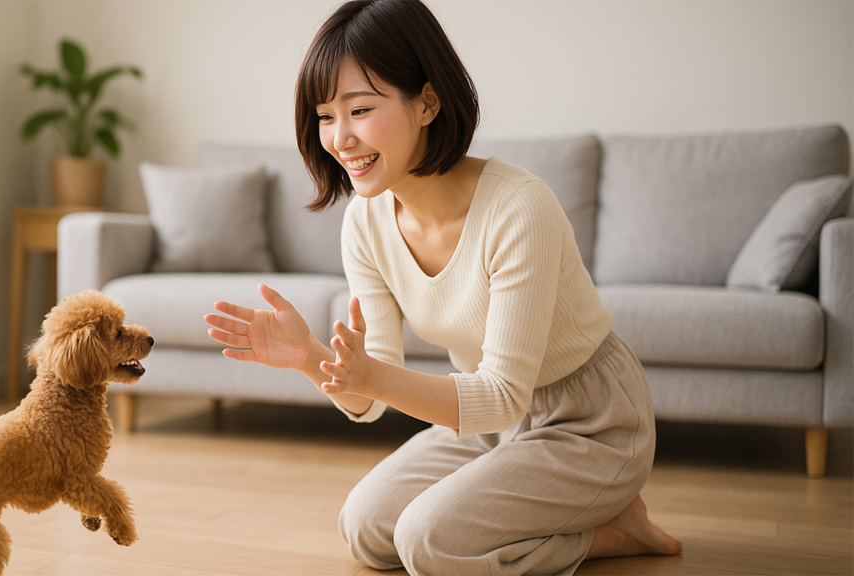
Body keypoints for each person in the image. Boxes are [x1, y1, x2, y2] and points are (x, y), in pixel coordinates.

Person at [204, 0, 683, 574]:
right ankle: (589, 525)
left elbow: (502, 394)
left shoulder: (518, 208)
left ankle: (606, 526)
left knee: (429, 542)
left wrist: (371, 376)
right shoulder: (365, 222)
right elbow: (371, 394)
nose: (340, 138)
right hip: (488, 425)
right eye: (325, 116)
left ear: (427, 102)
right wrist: (309, 356)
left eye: (360, 109)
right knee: (365, 528)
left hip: (590, 422)